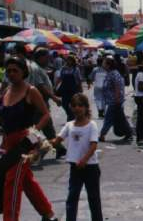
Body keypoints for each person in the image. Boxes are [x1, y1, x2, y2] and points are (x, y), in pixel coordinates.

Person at [0, 57, 58, 221]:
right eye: (8, 71)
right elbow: (3, 117)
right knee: (25, 181)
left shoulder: (31, 91)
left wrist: (34, 132)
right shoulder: (6, 91)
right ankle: (48, 213)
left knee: (12, 181)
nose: (11, 74)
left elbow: (46, 115)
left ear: (24, 72)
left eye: (15, 70)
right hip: (7, 142)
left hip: (24, 145)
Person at [50, 93, 103, 221]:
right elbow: (57, 140)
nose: (77, 108)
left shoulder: (92, 125)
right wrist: (43, 143)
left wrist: (84, 160)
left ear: (85, 107)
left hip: (90, 167)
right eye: (74, 105)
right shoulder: (70, 125)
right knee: (72, 197)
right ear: (71, 107)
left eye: (80, 105)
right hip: (75, 167)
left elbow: (93, 145)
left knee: (93, 198)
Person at [98, 56, 133, 142]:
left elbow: (118, 87)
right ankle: (129, 133)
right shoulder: (110, 73)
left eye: (104, 62)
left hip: (114, 101)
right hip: (112, 101)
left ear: (108, 65)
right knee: (120, 118)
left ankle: (102, 135)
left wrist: (117, 99)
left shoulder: (114, 74)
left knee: (108, 119)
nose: (102, 64)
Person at [55, 55, 83, 121]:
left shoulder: (76, 69)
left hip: (73, 89)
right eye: (68, 60)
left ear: (73, 61)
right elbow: (60, 78)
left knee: (73, 104)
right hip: (65, 89)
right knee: (64, 104)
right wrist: (55, 86)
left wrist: (80, 88)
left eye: (70, 60)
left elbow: (79, 80)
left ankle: (71, 117)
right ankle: (70, 115)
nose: (68, 61)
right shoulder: (63, 68)